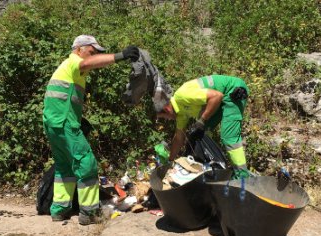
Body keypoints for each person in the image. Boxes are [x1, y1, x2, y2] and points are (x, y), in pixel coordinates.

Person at [43, 35, 139, 225]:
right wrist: (121, 56)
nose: (93, 57)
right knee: (87, 163)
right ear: (79, 49)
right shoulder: (73, 62)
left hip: (53, 123)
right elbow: (88, 64)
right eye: (91, 52)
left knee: (65, 167)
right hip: (64, 122)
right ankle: (89, 213)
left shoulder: (68, 69)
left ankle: (59, 210)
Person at [156, 75, 250, 177]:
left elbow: (217, 96)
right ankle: (214, 167)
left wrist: (202, 120)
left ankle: (243, 176)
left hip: (233, 91)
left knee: (229, 136)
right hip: (219, 99)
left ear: (166, 109)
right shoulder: (180, 114)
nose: (167, 119)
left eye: (164, 117)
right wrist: (170, 161)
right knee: (202, 133)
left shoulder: (182, 96)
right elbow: (179, 138)